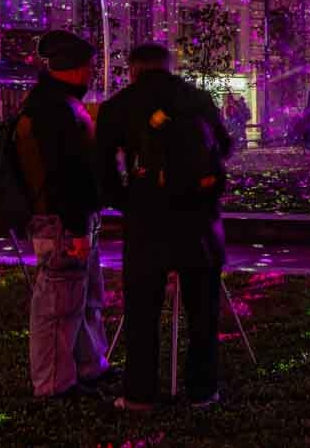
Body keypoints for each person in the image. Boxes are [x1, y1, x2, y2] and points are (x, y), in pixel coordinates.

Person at [97, 43, 231, 411]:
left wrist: (129, 202)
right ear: (168, 66)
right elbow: (223, 146)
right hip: (198, 218)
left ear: (133, 69)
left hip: (147, 221)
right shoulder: (197, 98)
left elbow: (104, 173)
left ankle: (139, 393)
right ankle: (202, 390)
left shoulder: (118, 106)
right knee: (202, 309)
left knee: (142, 308)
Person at [18, 31, 111, 398]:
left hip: (69, 219)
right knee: (59, 304)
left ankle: (88, 366)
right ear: (74, 68)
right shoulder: (54, 112)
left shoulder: (54, 104)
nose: (92, 73)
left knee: (81, 297)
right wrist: (76, 227)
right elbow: (65, 176)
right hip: (61, 221)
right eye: (89, 66)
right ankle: (54, 384)